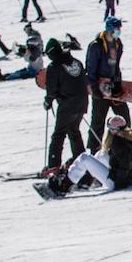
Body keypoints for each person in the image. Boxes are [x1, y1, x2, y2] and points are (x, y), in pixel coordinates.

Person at [84, 18, 131, 151]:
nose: (119, 32)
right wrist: (93, 87)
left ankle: (127, 143)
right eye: (117, 29)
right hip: (100, 85)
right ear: (110, 29)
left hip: (113, 85)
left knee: (124, 115)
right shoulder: (96, 45)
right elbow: (90, 67)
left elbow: (116, 65)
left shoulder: (117, 44)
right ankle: (93, 147)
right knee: (98, 119)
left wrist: (117, 81)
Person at [43, 39, 88, 171]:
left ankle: (54, 165)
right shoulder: (76, 62)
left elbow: (52, 88)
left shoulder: (54, 67)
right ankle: (82, 160)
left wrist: (48, 101)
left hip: (67, 104)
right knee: (74, 131)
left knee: (59, 134)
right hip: (82, 102)